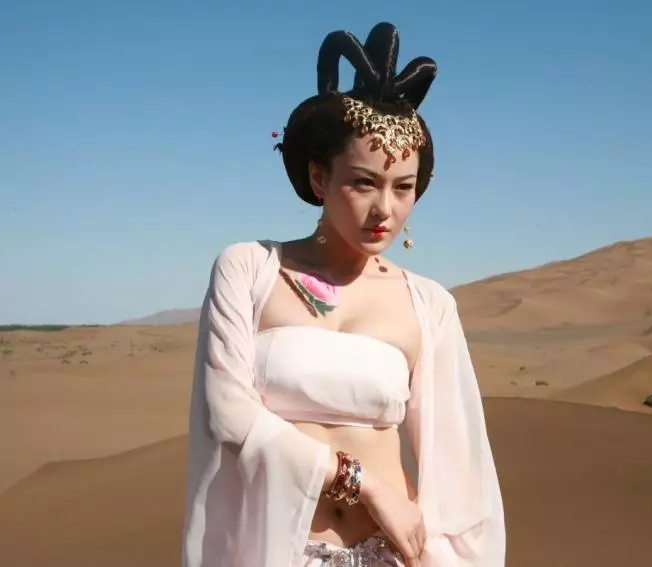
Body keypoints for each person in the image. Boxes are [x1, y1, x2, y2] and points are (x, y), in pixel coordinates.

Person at [183, 22, 505, 567]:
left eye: (403, 187)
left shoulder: (429, 305)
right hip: (278, 553)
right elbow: (229, 414)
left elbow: (459, 465)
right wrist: (367, 485)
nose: (385, 209)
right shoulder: (249, 268)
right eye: (362, 182)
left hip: (392, 554)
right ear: (319, 180)